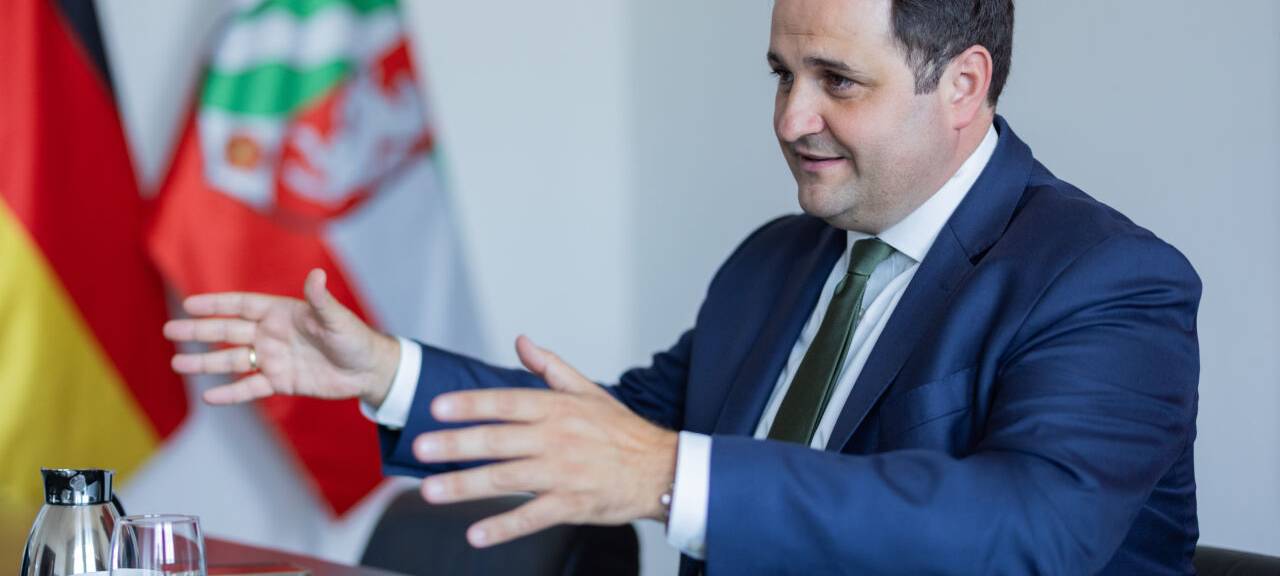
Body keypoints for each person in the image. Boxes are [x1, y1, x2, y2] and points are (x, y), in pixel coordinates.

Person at [163, 0, 1202, 573]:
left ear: (962, 85)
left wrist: (668, 477)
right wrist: (387, 372)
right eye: (781, 74)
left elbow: (1031, 530)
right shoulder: (774, 262)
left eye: (836, 81)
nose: (789, 120)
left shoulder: (1106, 279)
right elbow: (609, 431)